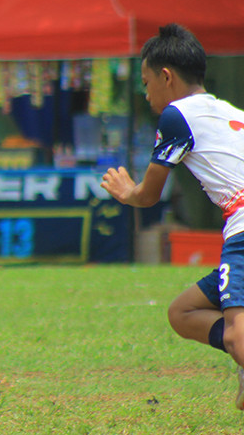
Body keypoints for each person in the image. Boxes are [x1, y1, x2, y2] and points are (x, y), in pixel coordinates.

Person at [101, 23, 244, 408]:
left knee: (235, 337)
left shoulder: (176, 115)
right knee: (183, 312)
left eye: (146, 83)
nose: (146, 94)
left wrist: (125, 193)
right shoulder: (231, 112)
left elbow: (149, 195)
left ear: (166, 77)